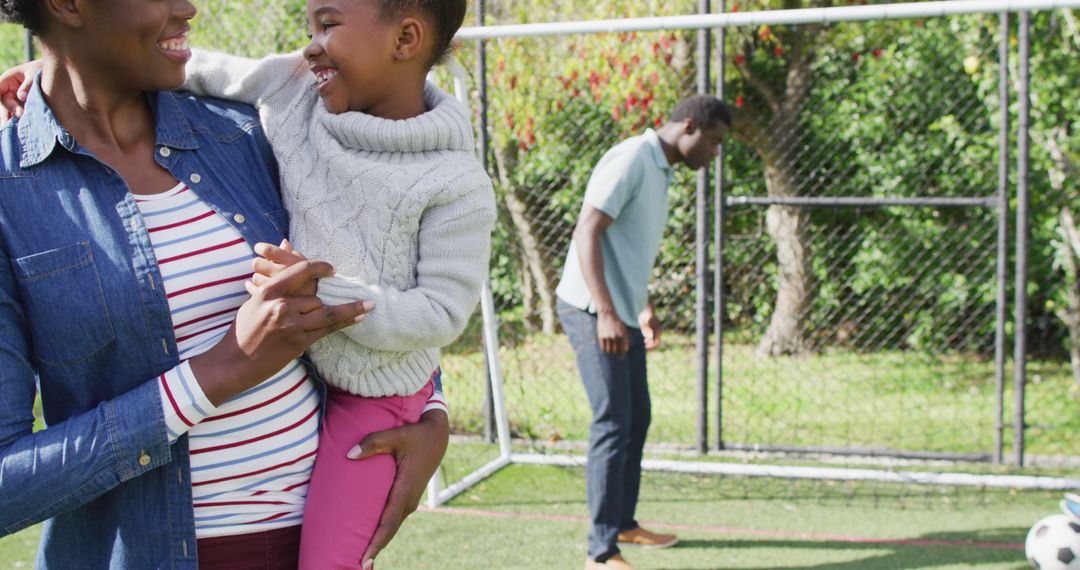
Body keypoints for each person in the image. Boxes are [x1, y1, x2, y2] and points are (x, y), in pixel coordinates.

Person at [0, 0, 451, 568]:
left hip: (311, 542)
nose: (188, 8)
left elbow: (378, 265)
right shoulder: (11, 195)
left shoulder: (248, 130)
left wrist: (431, 406)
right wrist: (224, 369)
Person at [169, 0, 496, 567]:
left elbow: (442, 313)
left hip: (378, 399)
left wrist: (324, 295)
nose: (311, 44)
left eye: (329, 24)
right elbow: (192, 67)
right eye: (310, 27)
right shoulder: (291, 87)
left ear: (406, 38)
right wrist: (49, 79)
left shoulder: (455, 182)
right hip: (298, 378)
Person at [555, 95, 732, 570]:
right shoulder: (633, 157)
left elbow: (627, 246)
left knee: (637, 418)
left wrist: (643, 307)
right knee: (613, 421)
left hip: (622, 311)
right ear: (689, 126)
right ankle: (600, 552)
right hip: (591, 308)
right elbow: (588, 231)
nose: (715, 154)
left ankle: (623, 525)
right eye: (713, 143)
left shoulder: (664, 169)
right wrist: (609, 314)